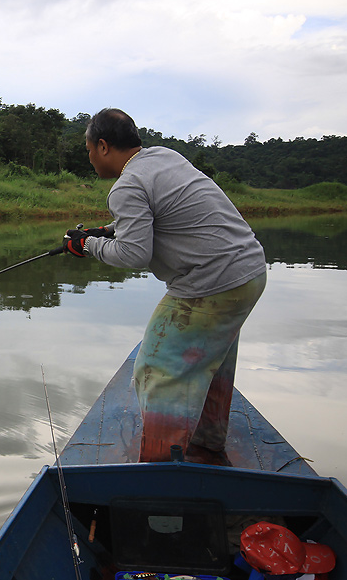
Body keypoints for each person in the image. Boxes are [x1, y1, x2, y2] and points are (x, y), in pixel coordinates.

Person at [64, 108, 267, 464]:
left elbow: (133, 255)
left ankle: (159, 467)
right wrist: (106, 231)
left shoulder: (125, 185)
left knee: (156, 370)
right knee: (214, 365)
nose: (91, 159)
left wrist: (85, 245)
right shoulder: (164, 157)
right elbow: (160, 215)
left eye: (89, 150)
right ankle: (207, 443)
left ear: (103, 146)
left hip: (211, 283)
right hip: (249, 272)